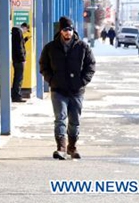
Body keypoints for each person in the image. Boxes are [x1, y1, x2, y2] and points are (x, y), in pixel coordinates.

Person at [39, 16, 96, 160]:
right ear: (60, 31)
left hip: (77, 90)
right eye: (65, 30)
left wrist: (82, 81)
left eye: (70, 29)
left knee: (74, 120)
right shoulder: (50, 47)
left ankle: (72, 146)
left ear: (73, 30)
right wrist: (51, 80)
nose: (68, 33)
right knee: (60, 118)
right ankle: (61, 147)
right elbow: (43, 65)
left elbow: (91, 65)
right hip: (58, 90)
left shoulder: (83, 47)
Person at [11, 26, 26, 102]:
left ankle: (14, 95)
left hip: (15, 60)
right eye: (26, 30)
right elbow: (19, 47)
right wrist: (22, 58)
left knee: (16, 78)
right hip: (19, 60)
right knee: (19, 78)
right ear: (25, 27)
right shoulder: (19, 33)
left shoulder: (14, 33)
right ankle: (17, 96)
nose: (25, 32)